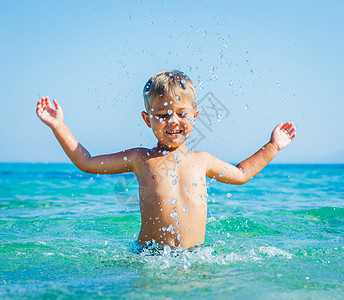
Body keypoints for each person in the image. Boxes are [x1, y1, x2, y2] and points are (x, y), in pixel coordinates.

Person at [36, 70, 296, 249]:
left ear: (195, 115)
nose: (173, 121)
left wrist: (273, 146)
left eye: (182, 114)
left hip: (194, 257)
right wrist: (59, 126)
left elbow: (241, 174)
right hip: (150, 256)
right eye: (162, 114)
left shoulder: (202, 160)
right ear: (147, 119)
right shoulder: (141, 159)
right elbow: (87, 162)